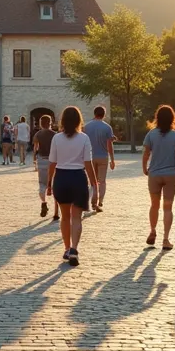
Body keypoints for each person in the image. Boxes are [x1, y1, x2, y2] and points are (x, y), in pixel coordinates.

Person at [46, 106, 98, 267]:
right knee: (76, 217)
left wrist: (49, 183)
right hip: (78, 177)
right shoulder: (84, 138)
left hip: (61, 177)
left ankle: (67, 248)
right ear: (78, 121)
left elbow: (52, 163)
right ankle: (75, 248)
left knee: (65, 216)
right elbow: (88, 163)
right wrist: (94, 183)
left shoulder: (56, 138)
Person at [142, 105, 175, 250]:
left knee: (154, 205)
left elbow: (146, 154)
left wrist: (144, 167)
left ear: (157, 118)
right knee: (168, 208)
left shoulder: (151, 134)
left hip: (154, 174)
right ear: (172, 119)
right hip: (170, 174)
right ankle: (166, 239)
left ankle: (152, 230)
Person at [85, 106, 116, 211]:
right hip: (103, 156)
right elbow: (109, 145)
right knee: (102, 181)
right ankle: (100, 201)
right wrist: (112, 159)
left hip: (90, 157)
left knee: (92, 181)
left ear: (94, 114)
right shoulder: (107, 127)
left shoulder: (86, 127)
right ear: (104, 114)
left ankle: (93, 202)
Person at [32, 114, 58, 221]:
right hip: (53, 161)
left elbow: (35, 148)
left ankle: (43, 202)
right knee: (55, 184)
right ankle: (56, 212)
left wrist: (34, 159)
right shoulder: (55, 135)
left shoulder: (38, 134)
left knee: (42, 184)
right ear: (50, 122)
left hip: (42, 160)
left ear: (40, 123)